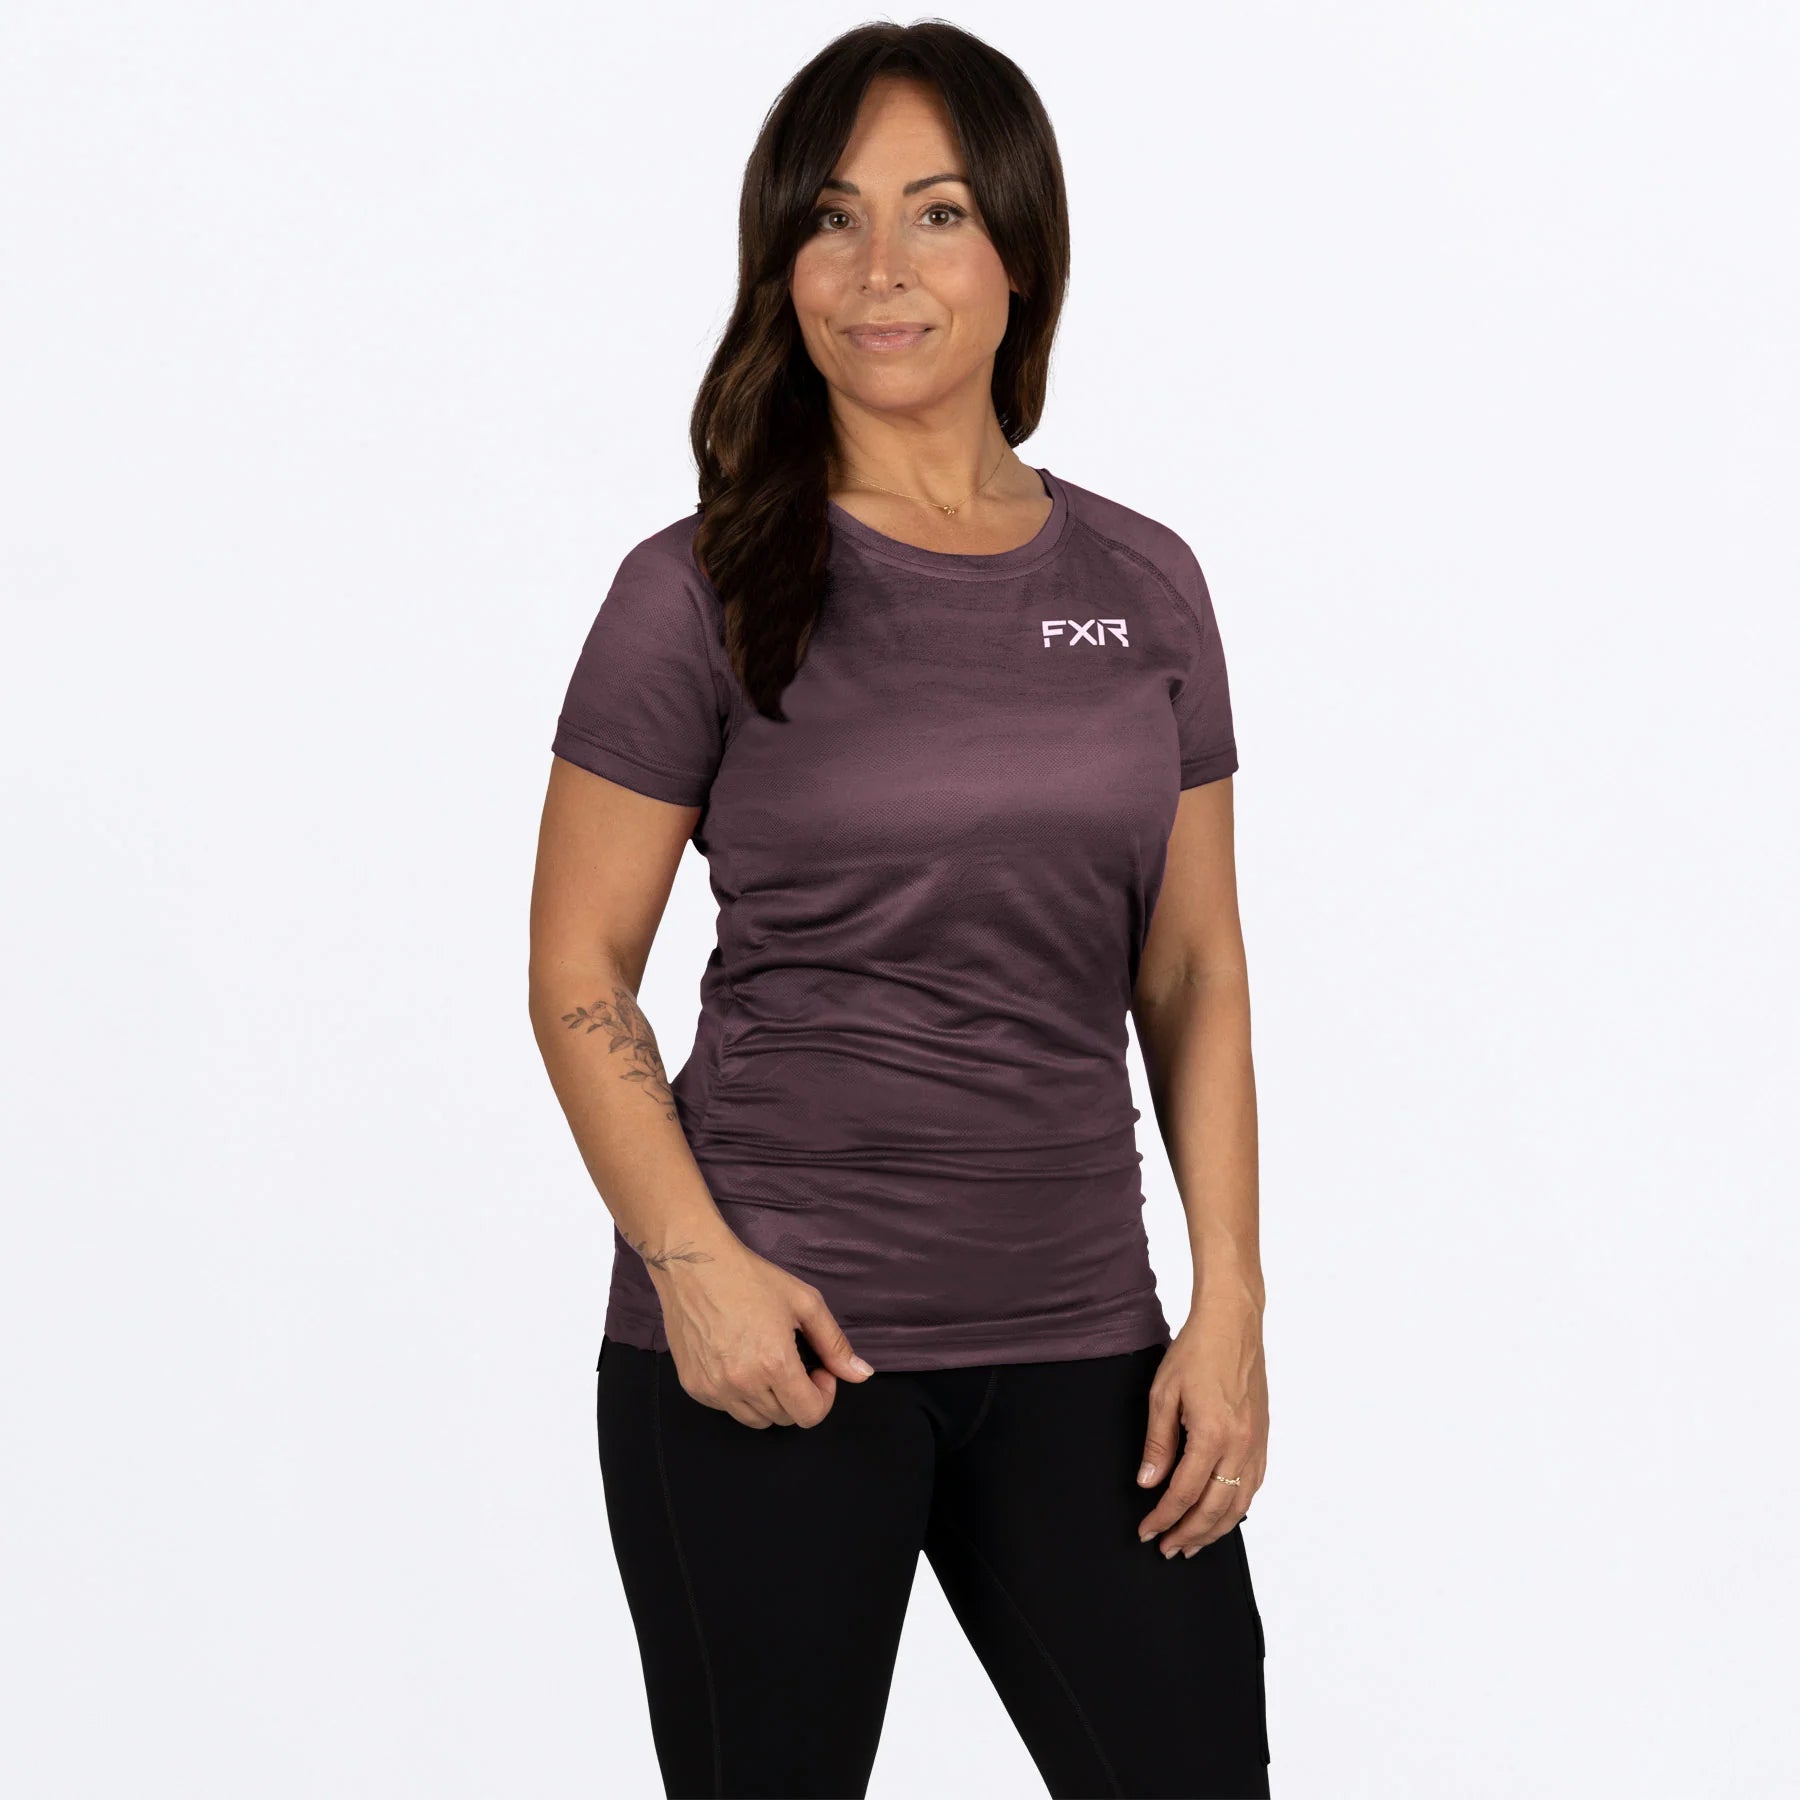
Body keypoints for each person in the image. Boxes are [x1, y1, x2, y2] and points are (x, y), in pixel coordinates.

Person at [528, 21, 1270, 1799]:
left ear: (1019, 249)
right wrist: (695, 1273)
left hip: (1086, 1343)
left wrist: (1229, 1301)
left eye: (936, 213)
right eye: (832, 218)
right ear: (780, 263)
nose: (879, 268)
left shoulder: (1142, 583)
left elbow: (1191, 968)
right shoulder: (695, 589)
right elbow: (578, 971)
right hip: (774, 1347)